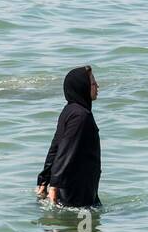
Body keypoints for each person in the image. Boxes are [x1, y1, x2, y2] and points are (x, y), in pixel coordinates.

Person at [36, 66, 102, 208]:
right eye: (93, 83)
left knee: (71, 229)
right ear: (82, 86)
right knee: (85, 230)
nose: (97, 85)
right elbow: (66, 151)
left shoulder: (70, 110)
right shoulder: (81, 116)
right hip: (77, 193)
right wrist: (53, 185)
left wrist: (44, 179)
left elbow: (55, 147)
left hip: (72, 189)